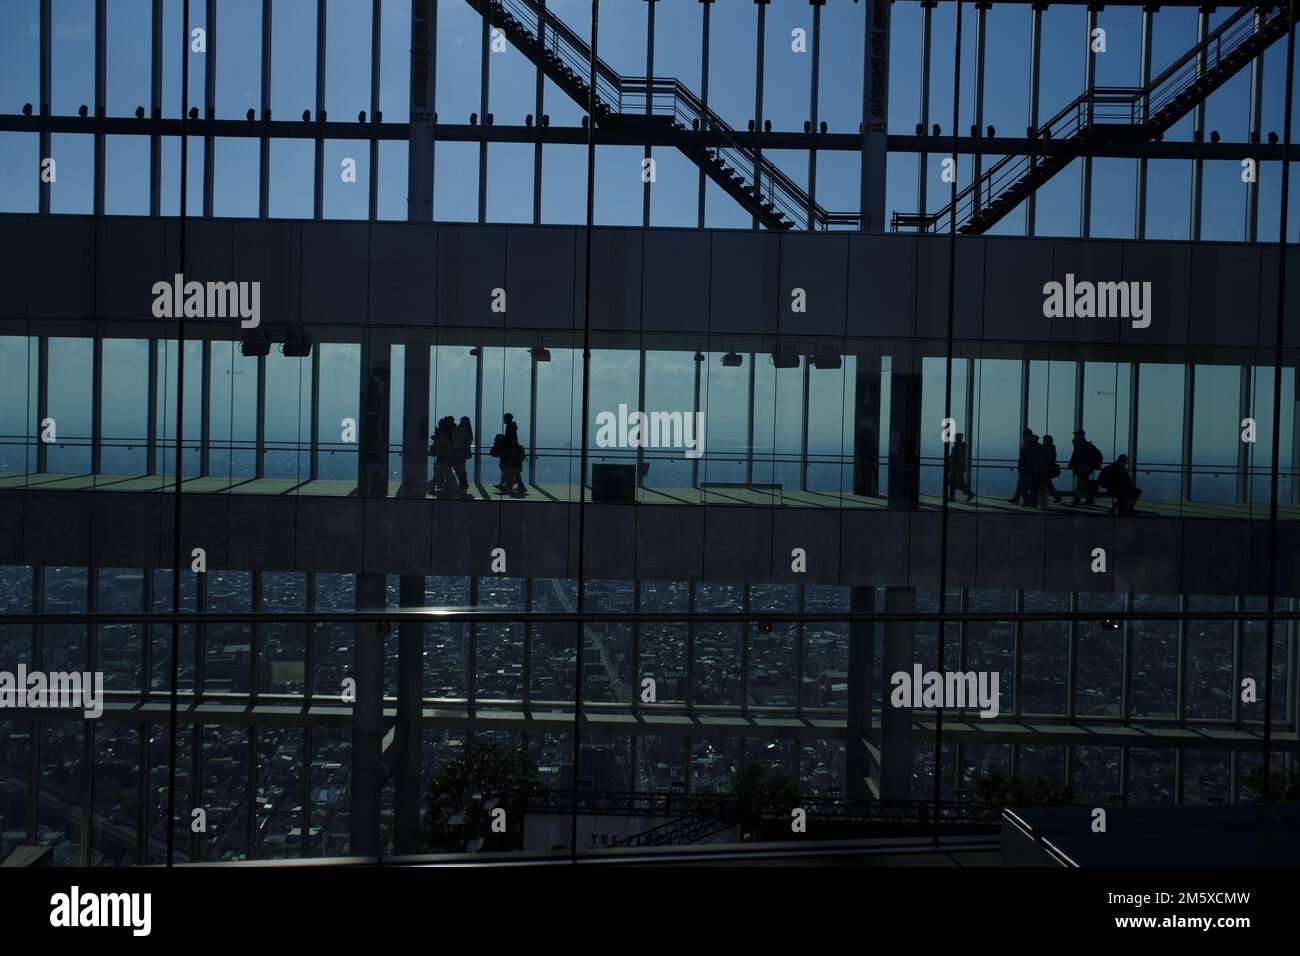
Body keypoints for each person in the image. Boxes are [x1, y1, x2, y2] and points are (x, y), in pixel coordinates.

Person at [1007, 429, 1044, 507]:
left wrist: (1021, 469)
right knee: (1025, 485)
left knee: (1024, 485)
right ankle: (1027, 501)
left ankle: (1026, 501)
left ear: (1026, 436)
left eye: (1024, 436)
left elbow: (1023, 460)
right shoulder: (1038, 446)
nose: (1023, 438)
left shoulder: (1027, 446)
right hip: (1034, 471)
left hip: (1028, 470)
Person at [1068, 428, 1103, 505]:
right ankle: (1089, 499)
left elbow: (1079, 458)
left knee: (1080, 484)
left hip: (1083, 468)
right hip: (1085, 468)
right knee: (1084, 484)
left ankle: (1077, 500)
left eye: (1076, 435)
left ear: (1080, 436)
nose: (1075, 437)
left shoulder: (1082, 446)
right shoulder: (1086, 445)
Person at [947, 433, 974, 502]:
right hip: (959, 467)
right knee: (955, 482)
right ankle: (952, 497)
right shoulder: (963, 446)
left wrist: (949, 460)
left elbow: (953, 457)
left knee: (956, 483)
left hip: (956, 468)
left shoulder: (956, 447)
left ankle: (968, 494)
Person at [452, 415, 474, 494]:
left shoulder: (459, 429)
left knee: (458, 469)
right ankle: (464, 483)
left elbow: (455, 439)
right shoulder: (468, 431)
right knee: (461, 469)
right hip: (463, 453)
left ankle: (463, 483)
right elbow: (467, 443)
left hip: (457, 452)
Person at [1041, 434, 1063, 504]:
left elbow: (1048, 460)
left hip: (1046, 470)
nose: (1043, 442)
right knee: (1048, 485)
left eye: (1044, 440)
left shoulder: (1048, 449)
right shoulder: (1051, 449)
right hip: (1047, 470)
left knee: (1046, 485)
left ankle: (1043, 499)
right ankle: (1056, 497)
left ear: (1047, 441)